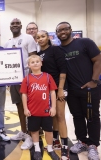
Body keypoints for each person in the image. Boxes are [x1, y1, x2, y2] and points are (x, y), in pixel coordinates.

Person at [56, 21, 101, 160]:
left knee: (92, 116)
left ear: (71, 30)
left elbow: (98, 60)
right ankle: (82, 141)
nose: (63, 32)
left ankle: (93, 145)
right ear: (57, 34)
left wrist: (94, 81)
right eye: (59, 30)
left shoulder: (84, 42)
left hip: (89, 88)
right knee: (77, 116)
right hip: (72, 90)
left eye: (65, 29)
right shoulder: (58, 50)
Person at [4, 18, 36, 149]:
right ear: (10, 27)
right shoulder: (7, 43)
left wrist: (32, 78)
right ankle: (24, 131)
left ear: (21, 26)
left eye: (17, 23)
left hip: (27, 79)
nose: (15, 25)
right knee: (19, 106)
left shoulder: (28, 38)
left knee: (30, 107)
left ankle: (31, 135)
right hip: (14, 79)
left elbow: (34, 58)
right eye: (13, 24)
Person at [36, 30, 69, 159]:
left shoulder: (55, 50)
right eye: (38, 37)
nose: (40, 39)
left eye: (43, 36)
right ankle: (56, 141)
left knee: (60, 116)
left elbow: (63, 70)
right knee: (53, 115)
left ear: (48, 37)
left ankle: (65, 147)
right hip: (48, 90)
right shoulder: (39, 54)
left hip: (59, 87)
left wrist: (60, 89)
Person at [21, 55, 59, 160]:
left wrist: (53, 107)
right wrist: (25, 108)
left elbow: (52, 92)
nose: (35, 63)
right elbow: (24, 94)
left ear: (41, 63)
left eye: (37, 61)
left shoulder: (47, 76)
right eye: (32, 62)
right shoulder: (27, 79)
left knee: (49, 131)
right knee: (34, 130)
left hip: (46, 110)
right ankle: (37, 149)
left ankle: (50, 149)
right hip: (33, 111)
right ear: (29, 65)